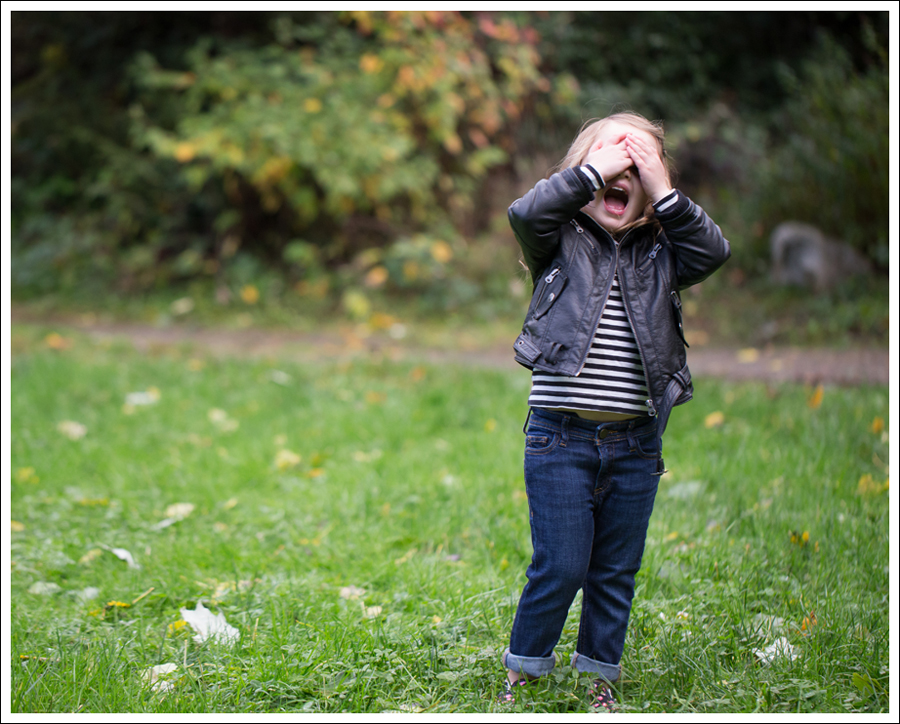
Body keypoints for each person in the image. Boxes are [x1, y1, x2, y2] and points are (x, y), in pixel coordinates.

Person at [500, 111, 731, 711]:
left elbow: (714, 251)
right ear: (584, 171)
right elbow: (525, 212)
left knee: (614, 570)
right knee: (563, 563)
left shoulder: (664, 251)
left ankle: (600, 676)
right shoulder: (559, 238)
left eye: (637, 164)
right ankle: (524, 671)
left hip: (634, 446)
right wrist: (592, 172)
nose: (621, 171)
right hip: (560, 440)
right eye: (608, 161)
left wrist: (663, 190)